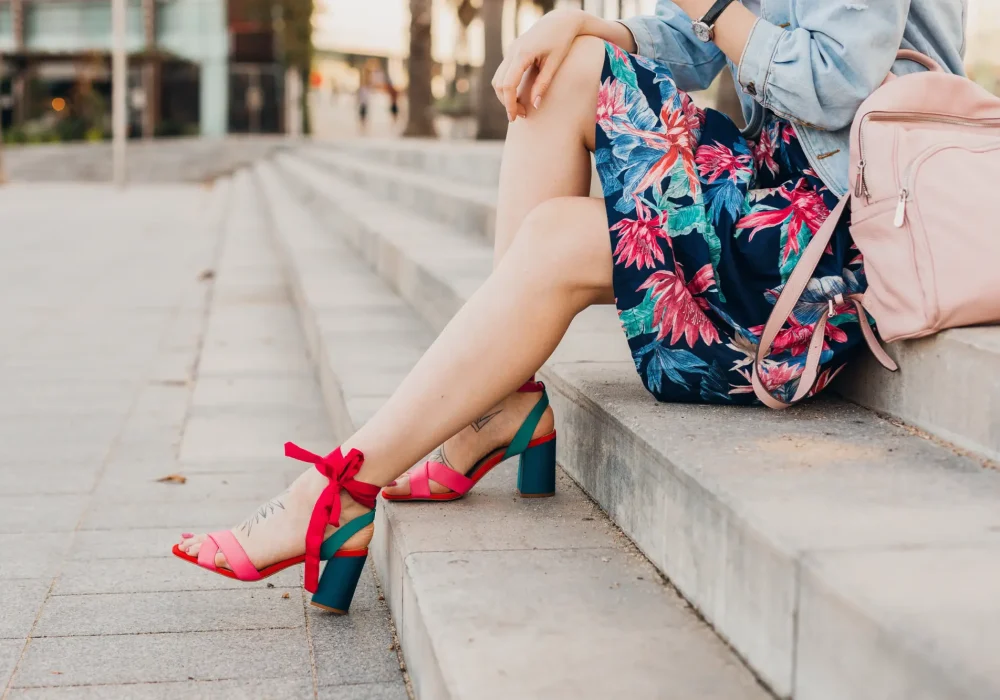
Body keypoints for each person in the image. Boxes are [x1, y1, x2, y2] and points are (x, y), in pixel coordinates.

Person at [174, 0, 967, 610]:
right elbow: (692, 47)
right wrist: (577, 21)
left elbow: (836, 85)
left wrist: (718, 9)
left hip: (834, 239)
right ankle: (492, 407)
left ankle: (339, 488)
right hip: (767, 190)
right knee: (566, 67)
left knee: (556, 238)